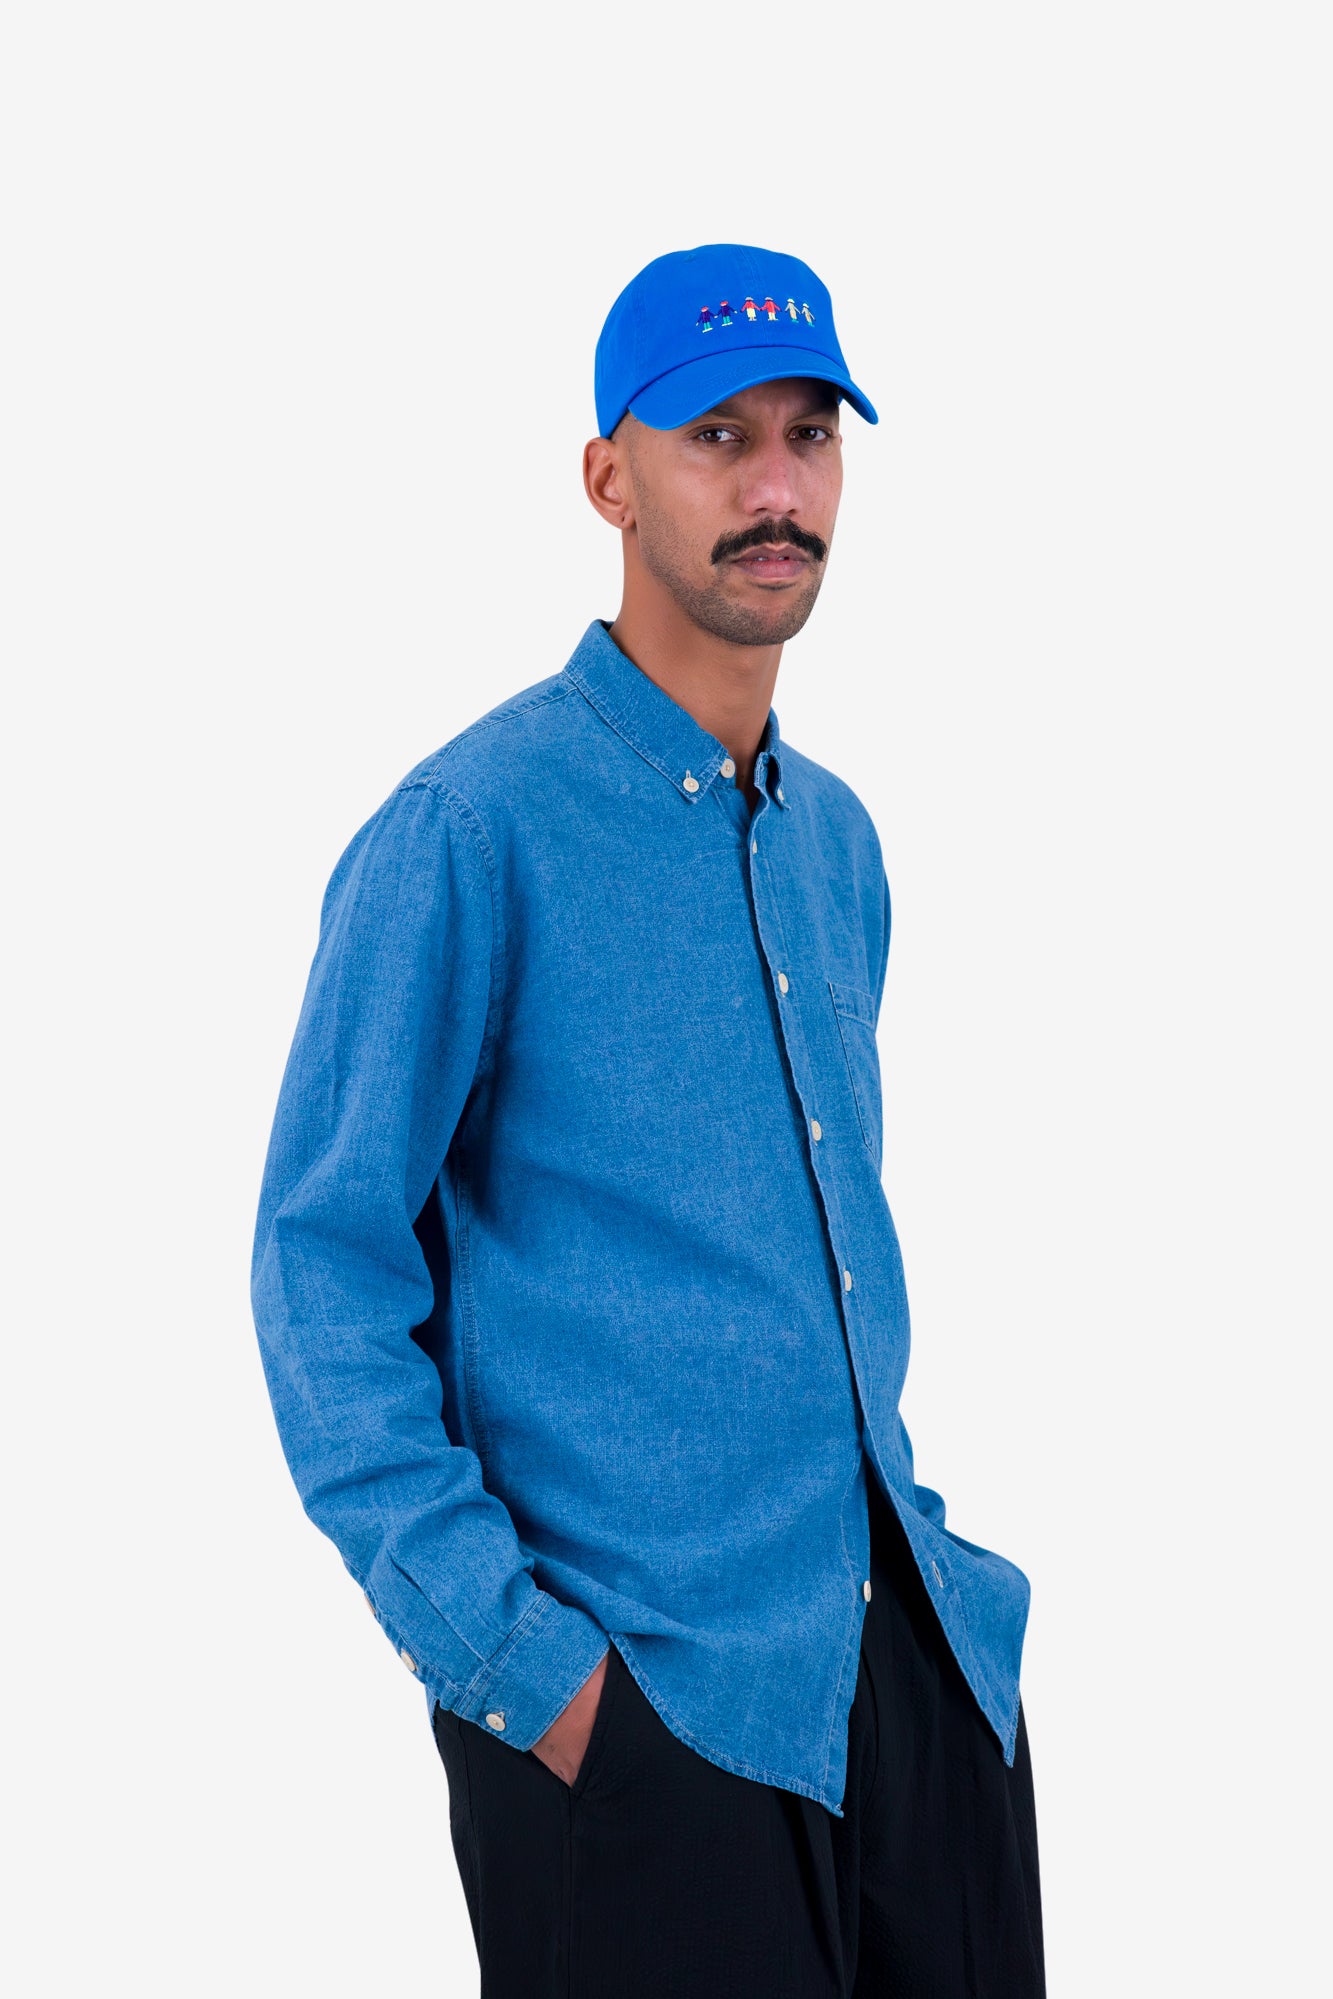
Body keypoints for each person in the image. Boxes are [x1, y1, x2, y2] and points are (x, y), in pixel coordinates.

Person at [251, 241, 1045, 1997]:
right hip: (650, 1712)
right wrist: (530, 1680)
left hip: (912, 1678)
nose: (776, 492)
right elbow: (321, 1271)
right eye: (717, 438)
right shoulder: (468, 830)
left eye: (809, 435)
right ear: (609, 477)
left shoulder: (838, 843)